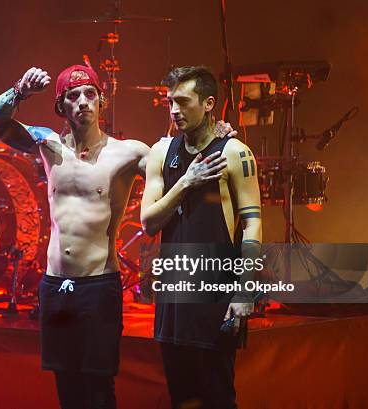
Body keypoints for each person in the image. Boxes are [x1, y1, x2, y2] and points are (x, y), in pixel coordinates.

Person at [0, 65, 149, 409]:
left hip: (98, 285)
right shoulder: (48, 143)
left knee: (98, 388)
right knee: (67, 389)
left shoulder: (129, 152)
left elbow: (175, 162)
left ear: (102, 100)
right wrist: (20, 90)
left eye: (90, 94)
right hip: (56, 285)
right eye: (73, 96)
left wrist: (215, 134)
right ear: (61, 107)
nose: (83, 102)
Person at [140, 66, 262, 409]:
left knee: (218, 397)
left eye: (182, 102)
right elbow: (148, 222)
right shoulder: (162, 153)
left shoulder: (235, 152)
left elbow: (252, 223)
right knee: (182, 397)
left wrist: (245, 289)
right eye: (170, 102)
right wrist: (186, 182)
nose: (174, 110)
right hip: (174, 298)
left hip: (215, 296)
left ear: (208, 103)